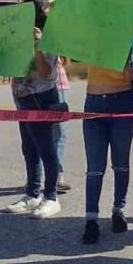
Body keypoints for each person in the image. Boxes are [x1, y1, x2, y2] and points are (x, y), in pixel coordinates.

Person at [81, 10, 133, 244]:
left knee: (120, 163)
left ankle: (118, 210)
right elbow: (70, 49)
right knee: (95, 167)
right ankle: (91, 219)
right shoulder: (92, 37)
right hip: (94, 104)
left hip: (123, 102)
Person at [5, 0, 62, 219]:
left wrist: (37, 45)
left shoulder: (51, 32)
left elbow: (47, 73)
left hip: (42, 97)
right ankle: (32, 193)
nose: (35, 3)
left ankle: (51, 197)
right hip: (22, 95)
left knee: (46, 149)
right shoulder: (19, 30)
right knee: (28, 148)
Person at [54, 56, 72, 194]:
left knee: (60, 133)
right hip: (33, 85)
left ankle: (57, 176)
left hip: (59, 85)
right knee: (35, 133)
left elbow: (66, 58)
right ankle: (36, 176)